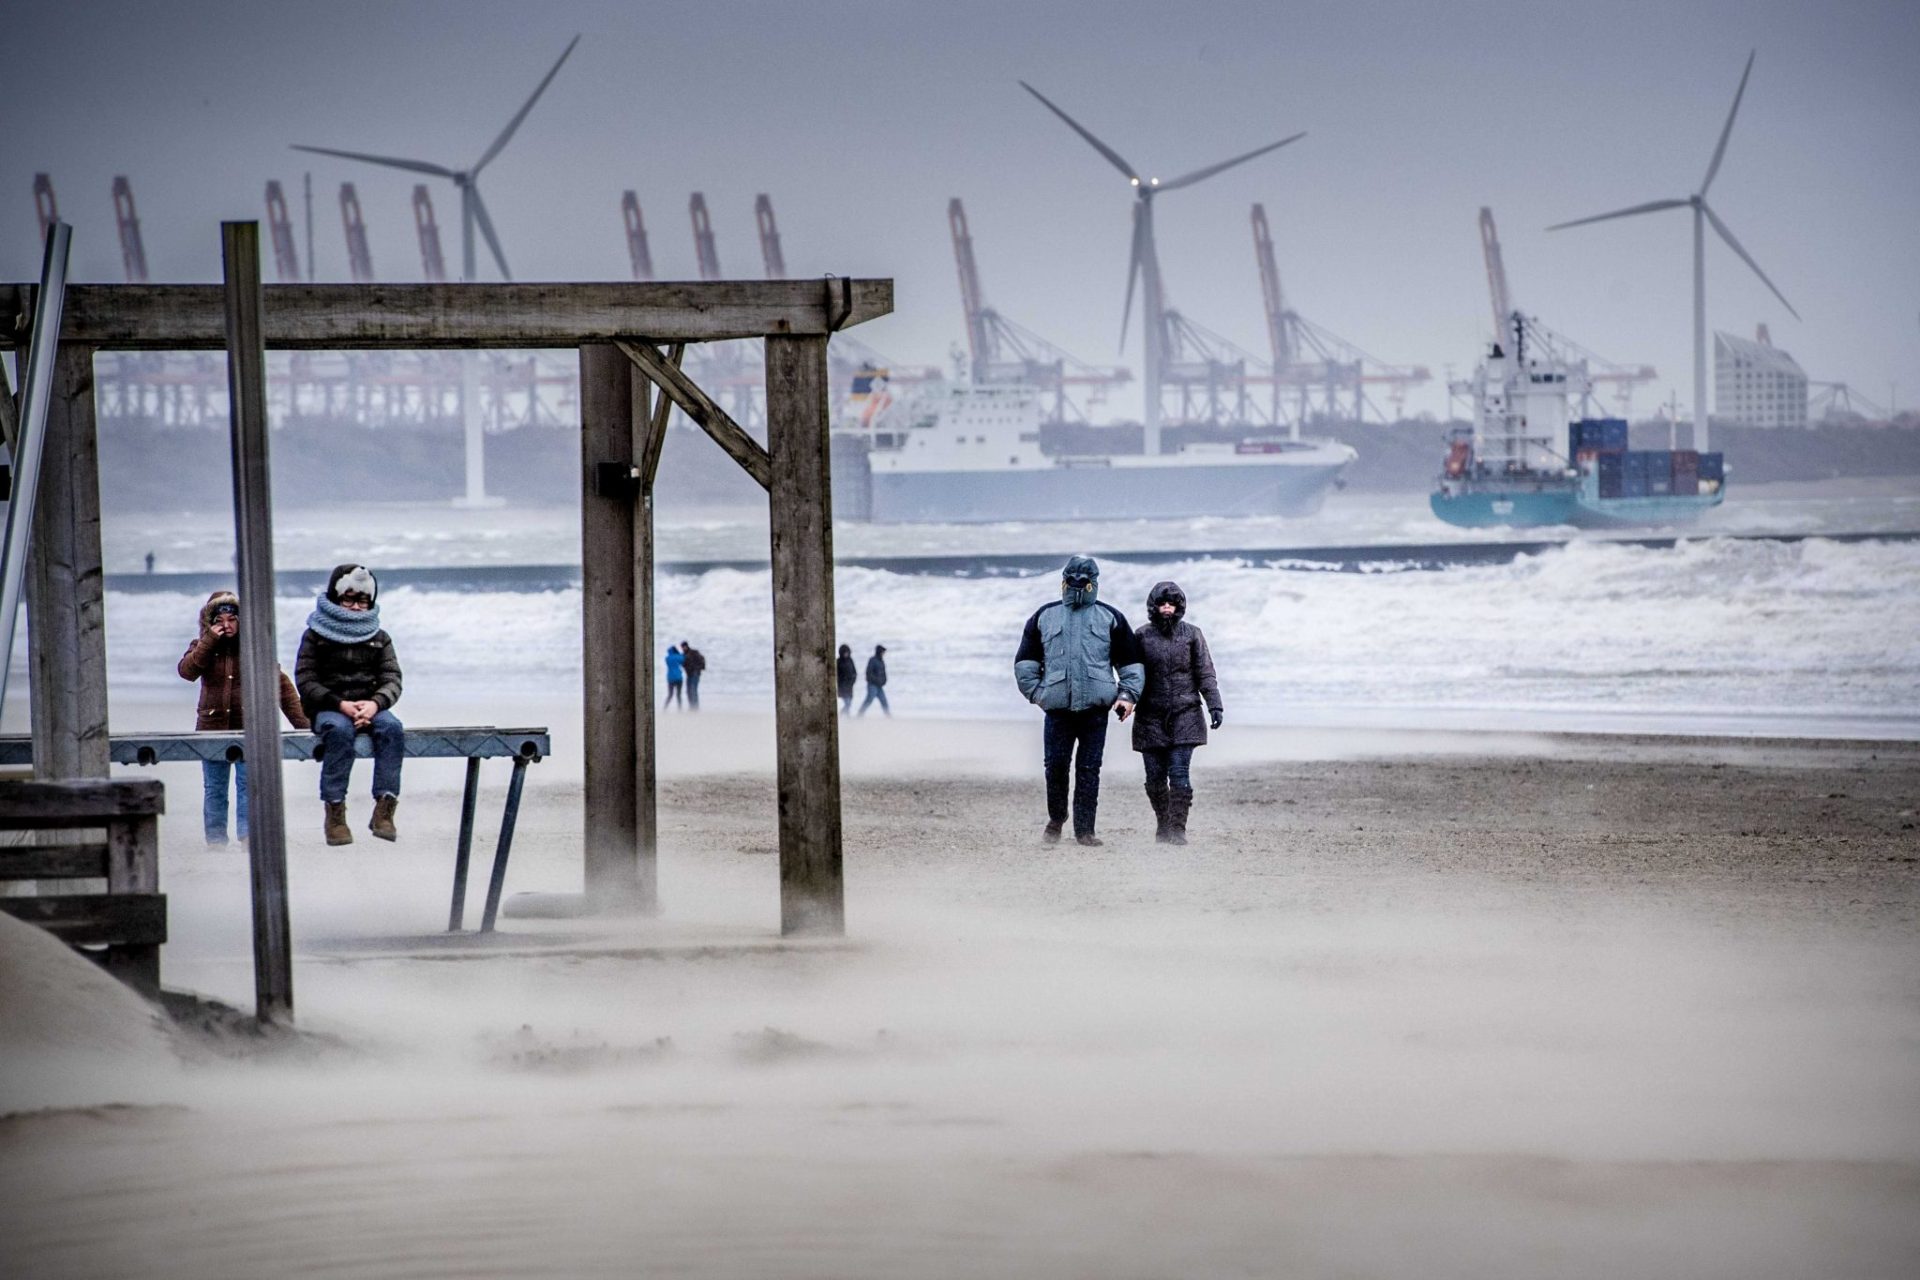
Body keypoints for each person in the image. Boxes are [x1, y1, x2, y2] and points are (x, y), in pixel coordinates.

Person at [1013, 555, 1145, 846]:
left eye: (1083, 581)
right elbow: (1025, 662)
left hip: (1095, 711)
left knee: (1089, 770)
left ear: (1093, 584)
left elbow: (1131, 665)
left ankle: (1085, 830)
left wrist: (1126, 696)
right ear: (1063, 581)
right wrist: (1037, 694)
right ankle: (1056, 820)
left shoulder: (1110, 617)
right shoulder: (1044, 616)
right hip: (1057, 710)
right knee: (1055, 767)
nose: (1076, 585)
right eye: (1071, 580)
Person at [177, 590, 309, 847]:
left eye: (232, 619)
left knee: (248, 785)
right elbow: (187, 671)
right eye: (219, 620)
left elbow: (281, 687)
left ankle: (248, 837)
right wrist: (209, 641)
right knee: (215, 788)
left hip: (250, 728)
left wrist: (304, 726)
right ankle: (215, 840)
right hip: (211, 729)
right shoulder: (201, 646)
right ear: (209, 621)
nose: (226, 625)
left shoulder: (255, 648)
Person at [295, 565, 405, 846]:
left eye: (362, 601)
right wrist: (340, 704)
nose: (356, 607)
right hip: (330, 707)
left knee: (392, 728)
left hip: (371, 706)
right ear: (336, 597)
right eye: (349, 599)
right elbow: (306, 680)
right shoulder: (315, 635)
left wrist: (374, 704)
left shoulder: (380, 637)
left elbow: (392, 679)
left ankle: (385, 808)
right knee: (339, 731)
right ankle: (335, 812)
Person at [1131, 581, 1222, 845]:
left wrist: (1214, 704)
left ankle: (1178, 828)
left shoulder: (1193, 634)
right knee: (1154, 777)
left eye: (1171, 603)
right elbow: (1131, 675)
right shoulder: (1141, 636)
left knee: (1179, 772)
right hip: (1149, 716)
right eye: (1162, 604)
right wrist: (1125, 699)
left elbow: (1205, 672)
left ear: (1180, 606)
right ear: (1154, 607)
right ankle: (1163, 823)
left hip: (1186, 713)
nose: (1167, 608)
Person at [859, 644, 890, 717]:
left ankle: (888, 716)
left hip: (879, 686)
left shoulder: (881, 661)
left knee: (884, 701)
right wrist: (876, 680)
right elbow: (868, 673)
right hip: (872, 685)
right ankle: (860, 714)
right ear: (879, 652)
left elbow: (883, 673)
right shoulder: (872, 660)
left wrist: (884, 680)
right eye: (883, 652)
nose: (884, 653)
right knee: (869, 700)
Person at [681, 641, 706, 710]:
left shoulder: (694, 652)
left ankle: (695, 707)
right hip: (689, 674)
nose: (683, 648)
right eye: (682, 647)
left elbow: (702, 659)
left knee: (693, 690)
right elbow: (684, 664)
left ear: (686, 646)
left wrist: (699, 668)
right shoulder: (683, 655)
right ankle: (691, 706)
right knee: (688, 691)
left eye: (684, 647)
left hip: (695, 673)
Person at [836, 644, 858, 715]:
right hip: (842, 686)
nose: (846, 654)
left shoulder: (850, 660)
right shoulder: (838, 662)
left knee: (849, 703)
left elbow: (854, 672)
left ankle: (847, 718)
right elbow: (836, 675)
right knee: (847, 703)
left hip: (850, 685)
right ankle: (841, 715)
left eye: (847, 652)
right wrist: (839, 683)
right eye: (844, 652)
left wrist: (853, 680)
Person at [663, 644, 685, 709]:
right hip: (678, 677)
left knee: (670, 694)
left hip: (670, 678)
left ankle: (665, 708)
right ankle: (680, 708)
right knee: (678, 695)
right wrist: (679, 653)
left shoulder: (667, 658)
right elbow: (683, 660)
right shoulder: (679, 657)